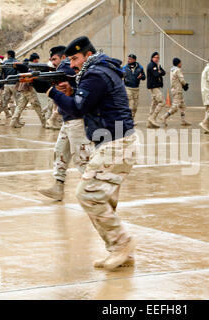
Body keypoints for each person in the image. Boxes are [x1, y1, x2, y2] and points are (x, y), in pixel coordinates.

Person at [47, 36, 137, 271]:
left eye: (75, 58)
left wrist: (51, 92)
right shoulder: (99, 70)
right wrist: (71, 89)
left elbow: (78, 107)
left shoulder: (96, 73)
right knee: (104, 199)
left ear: (88, 55)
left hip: (117, 143)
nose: (73, 64)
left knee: (87, 193)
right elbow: (88, 100)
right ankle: (120, 253)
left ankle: (122, 244)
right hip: (113, 141)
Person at [38, 45, 93, 201]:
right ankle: (58, 187)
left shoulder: (68, 69)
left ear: (63, 58)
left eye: (54, 59)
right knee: (60, 151)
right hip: (67, 119)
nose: (52, 62)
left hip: (76, 120)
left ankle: (94, 191)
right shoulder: (66, 69)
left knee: (82, 158)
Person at [10, 52, 46, 128]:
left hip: (24, 88)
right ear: (35, 59)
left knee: (20, 106)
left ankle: (13, 122)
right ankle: (44, 123)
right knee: (37, 105)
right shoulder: (29, 66)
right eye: (37, 59)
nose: (38, 61)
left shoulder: (28, 65)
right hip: (28, 88)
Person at [160, 57, 191, 126]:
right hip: (177, 91)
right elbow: (181, 79)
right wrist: (185, 85)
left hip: (176, 89)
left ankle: (183, 120)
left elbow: (176, 80)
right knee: (175, 107)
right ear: (178, 63)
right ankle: (164, 117)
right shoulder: (177, 70)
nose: (181, 64)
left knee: (182, 106)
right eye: (180, 63)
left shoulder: (172, 70)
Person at [122, 54, 145, 122]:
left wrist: (141, 76)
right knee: (131, 106)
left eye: (130, 59)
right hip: (128, 88)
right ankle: (129, 120)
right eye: (128, 59)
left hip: (136, 89)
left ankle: (132, 118)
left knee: (135, 107)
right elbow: (120, 76)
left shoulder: (140, 67)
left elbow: (144, 77)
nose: (128, 60)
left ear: (134, 60)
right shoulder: (124, 68)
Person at [146, 52, 166, 128]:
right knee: (162, 102)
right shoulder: (151, 65)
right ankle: (152, 118)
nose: (157, 59)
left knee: (154, 104)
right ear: (152, 58)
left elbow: (164, 72)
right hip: (153, 87)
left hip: (157, 86)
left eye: (158, 57)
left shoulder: (157, 65)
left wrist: (159, 71)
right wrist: (159, 71)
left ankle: (149, 123)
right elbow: (156, 74)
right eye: (156, 57)